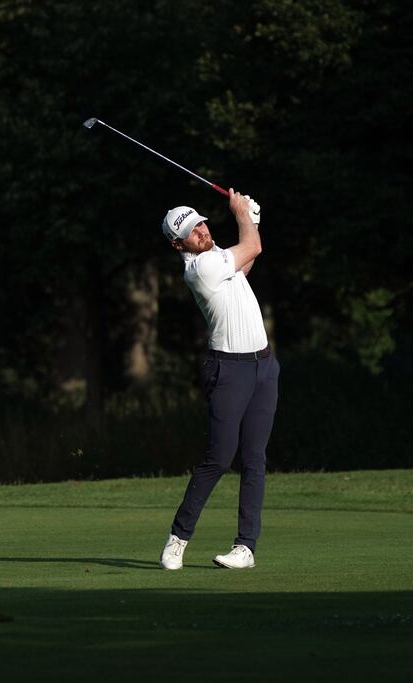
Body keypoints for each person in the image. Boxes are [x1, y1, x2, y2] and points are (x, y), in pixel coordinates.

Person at [158, 189, 279, 570]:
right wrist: (244, 214)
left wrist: (251, 222)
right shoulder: (200, 269)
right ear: (180, 246)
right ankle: (178, 538)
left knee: (255, 459)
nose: (202, 232)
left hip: (263, 366)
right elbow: (253, 248)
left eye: (201, 224)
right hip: (229, 370)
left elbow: (243, 267)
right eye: (192, 233)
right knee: (219, 458)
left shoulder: (217, 256)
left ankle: (245, 547)